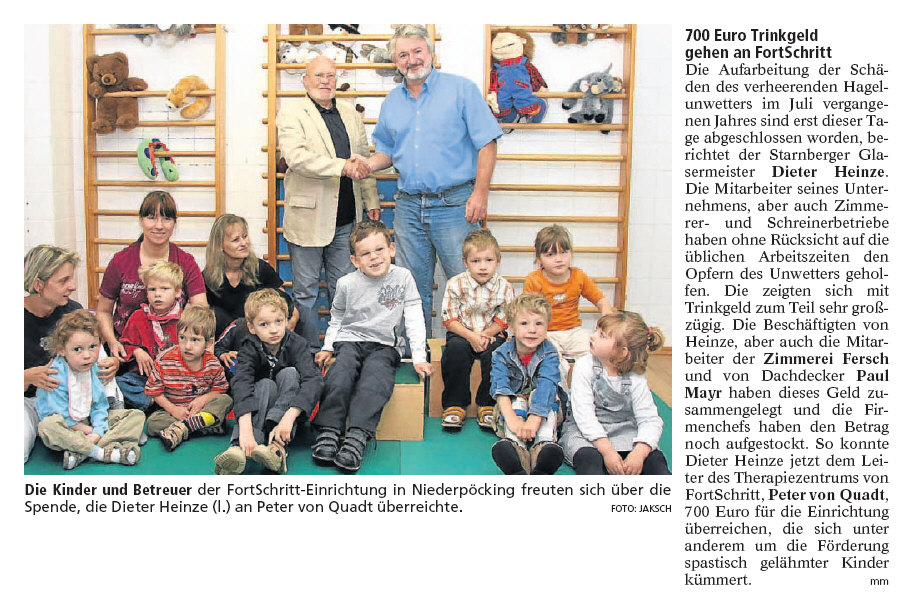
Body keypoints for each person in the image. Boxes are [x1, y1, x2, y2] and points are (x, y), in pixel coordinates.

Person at [358, 24, 503, 333]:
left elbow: (487, 143)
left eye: (417, 51)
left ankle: (466, 354)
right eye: (403, 55)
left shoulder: (461, 90)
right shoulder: (392, 102)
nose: (412, 60)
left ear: (431, 52)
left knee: (468, 287)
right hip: (409, 207)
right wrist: (367, 165)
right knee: (411, 290)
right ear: (395, 61)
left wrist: (480, 193)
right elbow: (387, 153)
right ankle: (417, 353)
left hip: (456, 205)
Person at [310, 220, 433, 473]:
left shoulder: (403, 277)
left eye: (379, 250)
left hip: (385, 346)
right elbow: (337, 317)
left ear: (392, 249)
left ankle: (357, 436)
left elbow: (414, 316)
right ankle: (329, 430)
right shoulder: (346, 283)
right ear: (355, 261)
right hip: (350, 341)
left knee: (375, 379)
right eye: (365, 254)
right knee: (340, 373)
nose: (374, 257)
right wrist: (328, 346)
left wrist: (419, 357)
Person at [277, 55, 380, 350]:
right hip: (307, 220)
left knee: (344, 291)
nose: (325, 81)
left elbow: (363, 158)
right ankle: (308, 352)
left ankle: (341, 350)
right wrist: (342, 167)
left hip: (347, 219)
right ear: (305, 80)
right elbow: (296, 158)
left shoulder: (350, 114)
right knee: (305, 293)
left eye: (331, 75)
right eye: (318, 75)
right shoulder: (291, 113)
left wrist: (370, 197)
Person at [24, 245, 119, 462]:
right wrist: (26, 377)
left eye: (71, 279)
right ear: (38, 285)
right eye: (63, 281)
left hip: (77, 397)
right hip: (30, 400)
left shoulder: (72, 310)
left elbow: (94, 351)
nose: (73, 286)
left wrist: (111, 363)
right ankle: (95, 447)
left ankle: (80, 445)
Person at [213, 289, 323, 475]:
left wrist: (289, 417)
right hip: (258, 411)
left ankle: (276, 448)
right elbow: (241, 384)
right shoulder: (248, 346)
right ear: (251, 327)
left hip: (287, 417)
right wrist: (245, 429)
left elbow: (314, 381)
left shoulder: (298, 344)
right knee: (265, 384)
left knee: (289, 374)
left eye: (279, 321)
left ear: (286, 320)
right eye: (264, 324)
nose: (273, 329)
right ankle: (239, 447)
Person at [97, 190, 207, 361]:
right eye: (151, 218)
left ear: (174, 223)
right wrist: (112, 342)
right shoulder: (121, 261)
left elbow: (201, 309)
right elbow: (103, 311)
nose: (159, 226)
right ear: (141, 220)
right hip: (126, 352)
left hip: (173, 355)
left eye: (166, 219)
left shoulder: (186, 262)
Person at [559, 311, 670, 475]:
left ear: (623, 352)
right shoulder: (584, 366)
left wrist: (640, 453)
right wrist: (607, 451)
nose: (592, 336)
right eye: (596, 331)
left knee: (656, 463)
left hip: (624, 431)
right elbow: (584, 415)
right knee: (589, 460)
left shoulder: (635, 377)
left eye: (602, 335)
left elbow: (650, 419)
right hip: (585, 434)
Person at [35, 310, 145, 470]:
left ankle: (80, 452)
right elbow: (57, 413)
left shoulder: (94, 368)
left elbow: (99, 406)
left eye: (93, 347)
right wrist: (87, 430)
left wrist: (97, 431)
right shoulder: (56, 372)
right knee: (47, 427)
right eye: (77, 349)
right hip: (67, 427)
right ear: (62, 350)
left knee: (136, 415)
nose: (87, 355)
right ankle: (101, 452)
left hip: (88, 423)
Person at [439, 229, 515, 431]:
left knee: (496, 356)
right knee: (455, 352)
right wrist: (471, 336)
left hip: (492, 333)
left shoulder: (505, 287)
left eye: (489, 260)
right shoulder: (455, 284)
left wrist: (486, 334)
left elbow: (505, 318)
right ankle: (455, 405)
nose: (483, 266)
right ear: (465, 262)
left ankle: (487, 404)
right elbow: (449, 319)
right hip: (462, 332)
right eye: (476, 261)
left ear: (498, 261)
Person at [523, 224, 612, 384]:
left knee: (599, 352)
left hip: (574, 332)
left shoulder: (579, 276)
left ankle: (593, 392)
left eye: (564, 252)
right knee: (553, 363)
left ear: (571, 253)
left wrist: (606, 321)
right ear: (539, 258)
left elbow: (602, 300)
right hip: (546, 333)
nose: (559, 259)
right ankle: (558, 395)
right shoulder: (534, 280)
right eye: (550, 255)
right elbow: (527, 313)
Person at [489, 293, 565, 475]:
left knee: (548, 400)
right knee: (516, 402)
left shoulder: (550, 353)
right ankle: (516, 449)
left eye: (539, 324)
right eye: (524, 323)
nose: (532, 330)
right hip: (514, 407)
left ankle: (543, 446)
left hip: (543, 406)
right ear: (511, 327)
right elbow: (500, 389)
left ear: (547, 327)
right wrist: (513, 420)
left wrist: (534, 419)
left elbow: (547, 386)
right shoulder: (501, 354)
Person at [144, 305, 232, 451]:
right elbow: (154, 392)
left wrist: (202, 400)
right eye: (182, 338)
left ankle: (184, 428)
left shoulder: (213, 363)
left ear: (209, 343)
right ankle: (202, 427)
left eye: (195, 340)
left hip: (201, 410)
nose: (187, 346)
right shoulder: (164, 360)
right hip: (175, 411)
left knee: (226, 400)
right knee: (152, 423)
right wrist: (174, 410)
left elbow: (220, 389)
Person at [203, 213, 299, 339]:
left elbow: (289, 308)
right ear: (219, 246)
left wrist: (289, 324)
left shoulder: (261, 269)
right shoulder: (208, 277)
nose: (244, 243)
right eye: (236, 240)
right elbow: (199, 317)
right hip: (224, 343)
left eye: (245, 236)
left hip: (259, 339)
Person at [115, 260, 184, 411]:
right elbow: (125, 344)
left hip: (176, 379)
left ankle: (163, 401)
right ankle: (153, 402)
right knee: (118, 383)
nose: (157, 294)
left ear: (177, 292)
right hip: (144, 379)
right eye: (152, 289)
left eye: (164, 289)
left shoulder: (185, 319)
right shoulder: (138, 317)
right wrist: (136, 351)